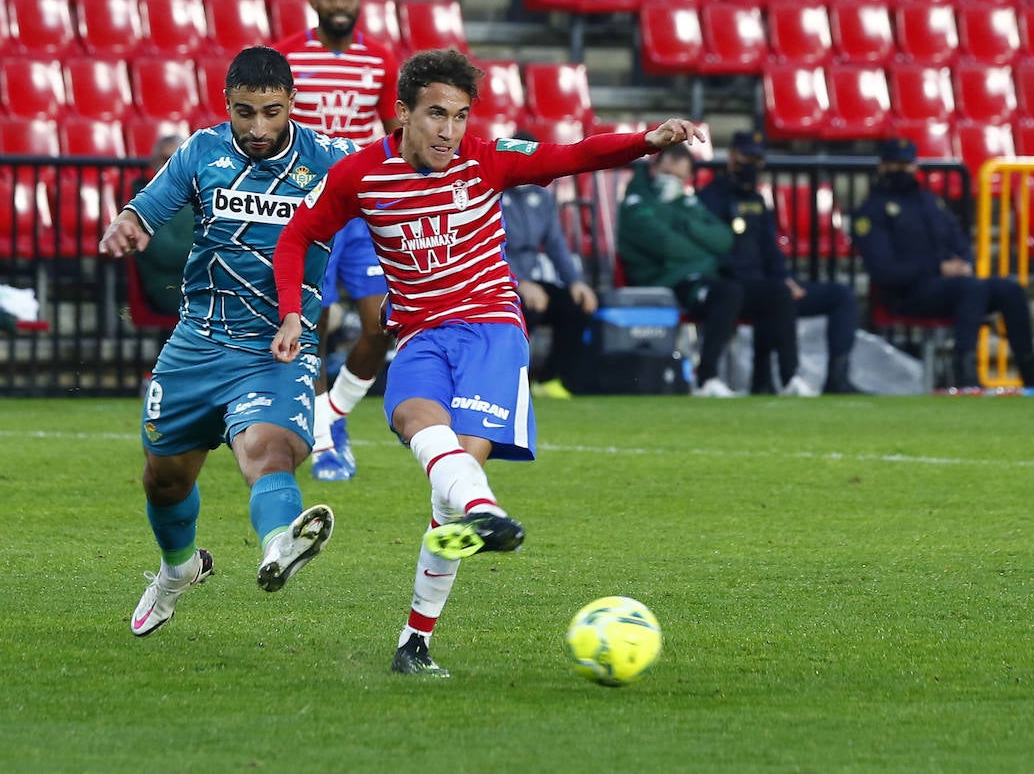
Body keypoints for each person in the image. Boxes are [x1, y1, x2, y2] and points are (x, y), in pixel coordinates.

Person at [269, 49, 709, 676]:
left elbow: (570, 155)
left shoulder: (486, 158)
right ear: (402, 113)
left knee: (451, 487)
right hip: (419, 336)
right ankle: (483, 518)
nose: (449, 131)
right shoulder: (361, 174)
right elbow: (297, 235)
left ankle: (416, 640)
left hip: (490, 330)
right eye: (435, 115)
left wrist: (645, 141)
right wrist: (292, 311)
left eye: (459, 116)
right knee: (415, 423)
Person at [98, 46, 360, 638]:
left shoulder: (331, 158)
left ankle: (280, 543)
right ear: (227, 104)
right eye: (245, 113)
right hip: (197, 342)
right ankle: (177, 571)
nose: (258, 127)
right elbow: (147, 209)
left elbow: (398, 186)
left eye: (272, 112)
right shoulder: (202, 151)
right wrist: (127, 224)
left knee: (267, 450)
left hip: (277, 347)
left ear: (292, 102)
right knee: (164, 479)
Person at [273, 0, 401, 483]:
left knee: (381, 324)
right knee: (316, 327)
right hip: (309, 208)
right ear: (314, 0)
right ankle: (326, 443)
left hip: (363, 209)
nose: (341, 2)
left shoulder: (379, 59)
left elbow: (395, 134)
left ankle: (332, 414)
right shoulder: (287, 56)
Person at [852, 137, 1034, 389]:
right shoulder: (872, 211)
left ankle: (1033, 382)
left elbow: (959, 243)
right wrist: (937, 267)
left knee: (1010, 289)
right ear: (882, 167)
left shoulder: (931, 203)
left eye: (906, 164)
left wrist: (964, 263)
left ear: (915, 166)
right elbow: (884, 272)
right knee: (971, 288)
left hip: (952, 288)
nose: (902, 170)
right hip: (907, 294)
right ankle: (966, 377)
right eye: (895, 164)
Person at [698, 130, 858, 395]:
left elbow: (771, 249)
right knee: (774, 295)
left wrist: (785, 276)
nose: (752, 165)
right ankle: (775, 377)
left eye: (757, 159)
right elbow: (713, 251)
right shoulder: (710, 198)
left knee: (841, 295)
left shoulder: (758, 201)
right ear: (732, 157)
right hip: (731, 284)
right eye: (747, 157)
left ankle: (836, 379)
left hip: (768, 283)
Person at [616, 143, 744, 398]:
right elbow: (665, 245)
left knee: (767, 294)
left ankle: (777, 379)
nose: (672, 180)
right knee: (727, 293)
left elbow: (724, 239)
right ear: (654, 168)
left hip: (694, 278)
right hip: (660, 282)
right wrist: (704, 252)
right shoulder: (636, 202)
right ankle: (706, 378)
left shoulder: (687, 204)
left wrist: (685, 225)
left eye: (679, 177)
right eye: (668, 173)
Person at [500, 132, 597, 399]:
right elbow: (489, 246)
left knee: (575, 307)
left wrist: (575, 282)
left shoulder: (541, 197)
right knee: (524, 310)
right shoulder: (493, 193)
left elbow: (555, 244)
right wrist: (518, 282)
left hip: (530, 282)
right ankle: (513, 381)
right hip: (498, 281)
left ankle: (550, 378)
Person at [129, 133, 189, 317]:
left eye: (176, 160)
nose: (170, 166)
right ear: (153, 163)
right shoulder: (142, 201)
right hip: (169, 288)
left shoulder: (199, 195)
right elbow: (165, 254)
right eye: (165, 159)